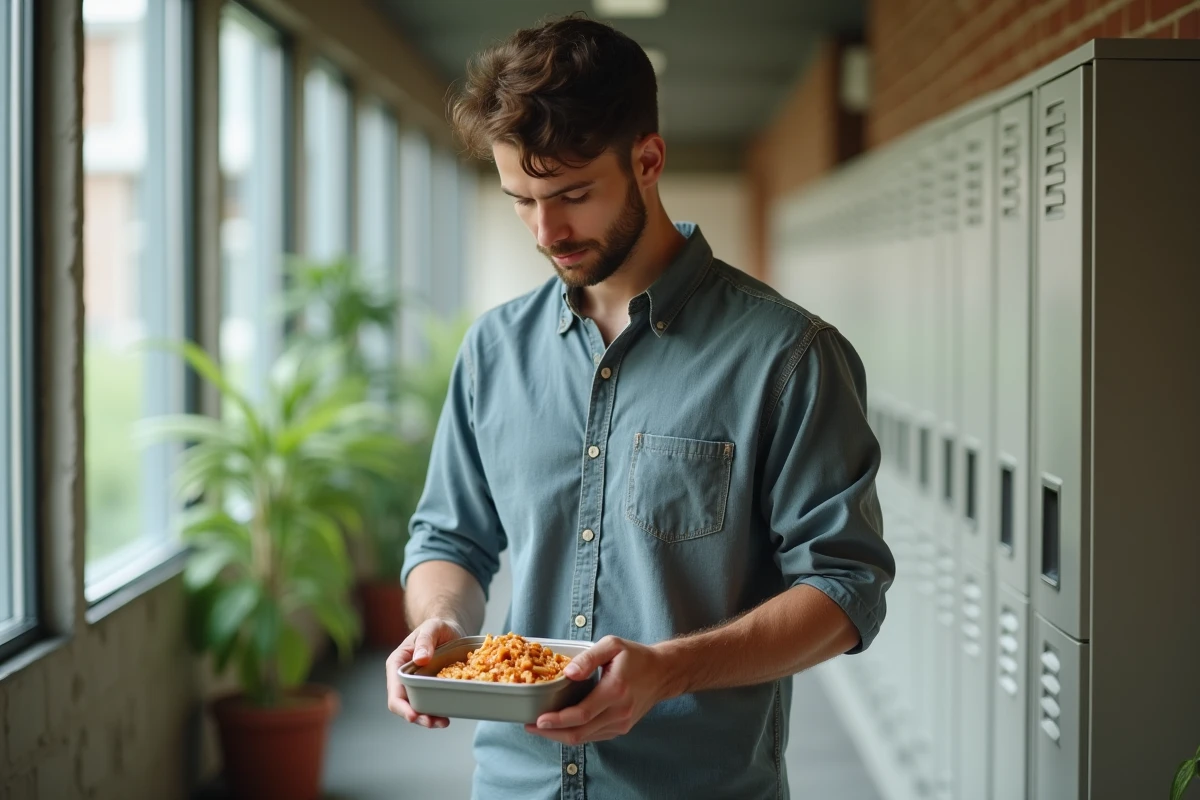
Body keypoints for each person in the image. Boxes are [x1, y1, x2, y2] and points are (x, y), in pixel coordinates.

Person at [385, 13, 895, 800]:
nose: (547, 230)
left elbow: (843, 588)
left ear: (648, 160)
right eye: (520, 199)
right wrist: (440, 622)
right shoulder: (493, 350)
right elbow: (448, 537)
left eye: (572, 194)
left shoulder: (789, 356)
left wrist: (670, 670)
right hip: (515, 783)